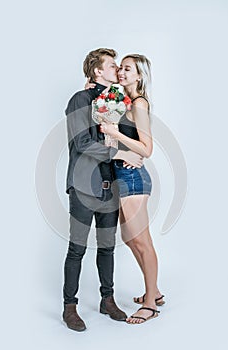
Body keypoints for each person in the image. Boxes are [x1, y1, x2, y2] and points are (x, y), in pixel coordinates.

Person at [63, 48, 144, 332]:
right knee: (77, 249)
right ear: (98, 71)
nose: (118, 71)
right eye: (112, 66)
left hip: (109, 186)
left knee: (107, 247)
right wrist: (119, 155)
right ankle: (69, 307)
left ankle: (106, 300)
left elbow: (130, 135)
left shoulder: (117, 101)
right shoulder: (79, 100)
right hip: (83, 186)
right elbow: (81, 144)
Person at [98, 54, 165, 324]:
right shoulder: (122, 102)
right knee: (129, 238)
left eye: (128, 69)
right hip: (122, 176)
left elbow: (147, 149)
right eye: (121, 68)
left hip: (134, 177)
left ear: (139, 76)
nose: (122, 73)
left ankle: (150, 303)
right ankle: (156, 291)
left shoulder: (139, 104)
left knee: (141, 241)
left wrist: (116, 134)